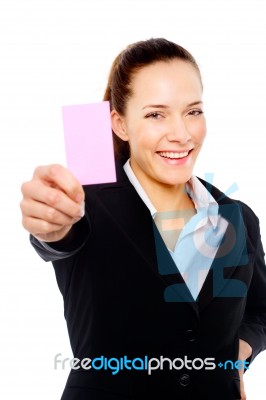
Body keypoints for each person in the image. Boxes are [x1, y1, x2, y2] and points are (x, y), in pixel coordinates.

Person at [20, 38, 266, 400]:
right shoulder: (87, 204)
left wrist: (234, 358)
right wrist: (50, 227)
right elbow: (59, 237)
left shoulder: (237, 216)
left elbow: (259, 311)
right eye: (155, 114)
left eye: (193, 111)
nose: (182, 134)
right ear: (119, 124)